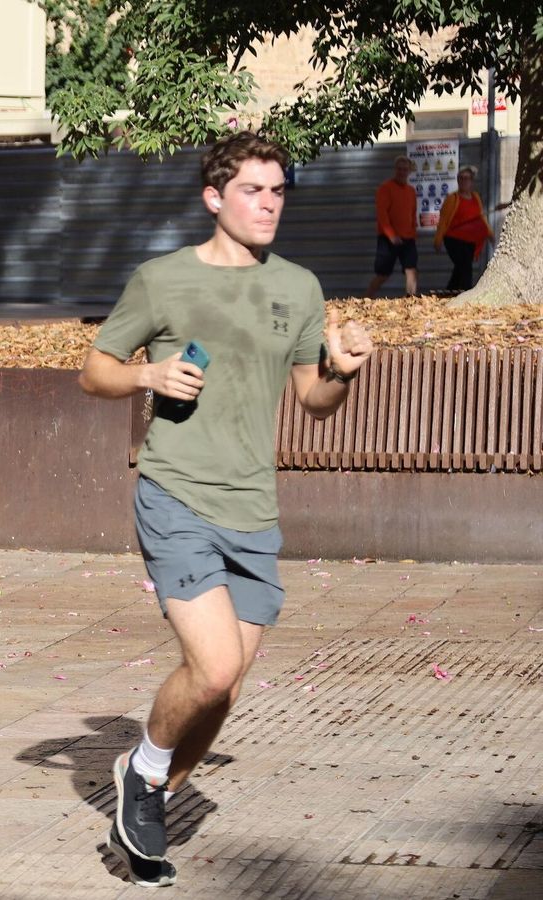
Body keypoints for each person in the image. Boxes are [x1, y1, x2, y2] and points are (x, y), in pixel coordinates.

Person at [77, 132, 375, 886]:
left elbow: (314, 401)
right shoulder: (163, 280)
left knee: (228, 687)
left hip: (254, 508)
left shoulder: (298, 288)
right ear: (214, 198)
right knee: (211, 670)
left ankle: (144, 796)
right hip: (176, 492)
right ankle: (144, 770)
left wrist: (342, 371)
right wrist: (149, 376)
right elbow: (95, 371)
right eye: (253, 190)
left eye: (278, 191)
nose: (269, 204)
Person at [366, 155, 419, 298]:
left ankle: (411, 302)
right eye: (400, 169)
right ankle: (366, 299)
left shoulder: (411, 191)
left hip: (408, 238)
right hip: (388, 239)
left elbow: (413, 213)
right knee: (382, 274)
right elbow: (382, 214)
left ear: (409, 171)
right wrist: (391, 235)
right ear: (395, 169)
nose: (402, 172)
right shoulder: (385, 188)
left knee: (411, 270)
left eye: (405, 169)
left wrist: (413, 233)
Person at [433, 165, 493, 292]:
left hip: (470, 242)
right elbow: (443, 221)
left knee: (460, 269)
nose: (464, 181)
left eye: (467, 178)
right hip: (453, 240)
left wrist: (490, 233)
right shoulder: (452, 198)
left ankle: (448, 293)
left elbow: (481, 217)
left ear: (472, 181)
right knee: (465, 267)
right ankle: (467, 293)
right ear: (457, 180)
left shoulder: (476, 197)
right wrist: (438, 240)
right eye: (461, 178)